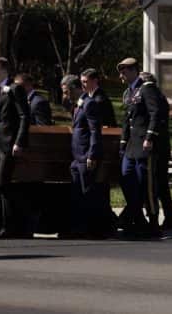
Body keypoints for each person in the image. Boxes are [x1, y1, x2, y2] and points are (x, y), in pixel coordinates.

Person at [117, 57, 169, 236]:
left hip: (144, 146)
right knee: (127, 179)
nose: (121, 75)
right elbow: (127, 120)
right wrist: (123, 143)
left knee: (147, 186)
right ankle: (135, 217)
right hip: (132, 146)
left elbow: (155, 113)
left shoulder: (147, 89)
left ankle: (153, 221)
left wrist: (150, 136)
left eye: (124, 71)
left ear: (133, 71)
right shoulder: (131, 92)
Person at [67, 68, 117, 238]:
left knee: (88, 193)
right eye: (81, 82)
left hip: (86, 155)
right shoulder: (83, 100)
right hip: (77, 155)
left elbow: (95, 131)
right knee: (78, 193)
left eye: (85, 82)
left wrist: (92, 154)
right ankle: (79, 227)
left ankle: (92, 229)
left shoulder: (92, 102)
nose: (83, 85)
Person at [0, 57, 31, 239]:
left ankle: (10, 226)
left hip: (10, 144)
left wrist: (19, 142)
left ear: (5, 71)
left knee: (2, 183)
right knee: (3, 185)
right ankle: (13, 225)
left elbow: (24, 116)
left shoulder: (15, 89)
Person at [139, 71, 172, 230]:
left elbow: (154, 118)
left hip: (157, 147)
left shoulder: (149, 93)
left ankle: (165, 218)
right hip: (163, 146)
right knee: (162, 185)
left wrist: (148, 137)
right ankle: (171, 218)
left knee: (156, 184)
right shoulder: (159, 94)